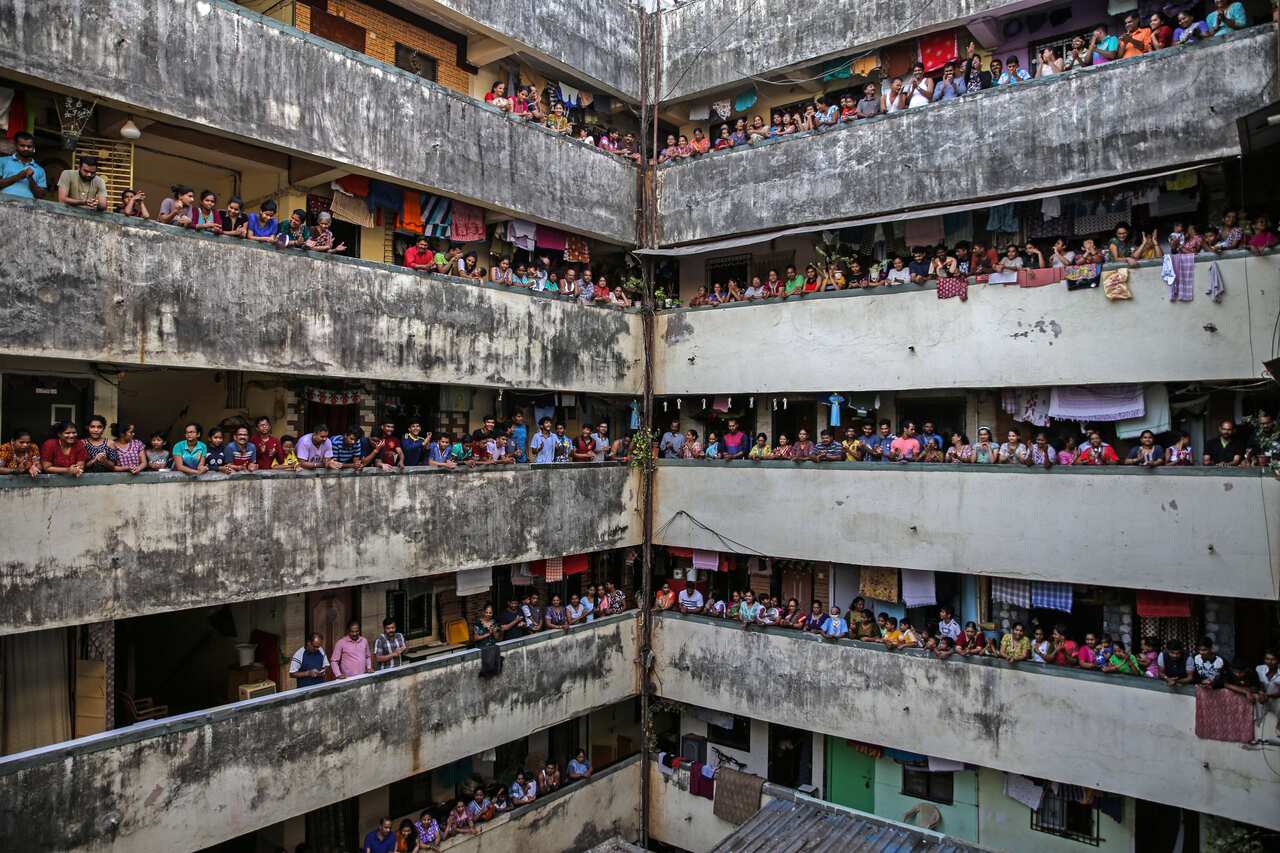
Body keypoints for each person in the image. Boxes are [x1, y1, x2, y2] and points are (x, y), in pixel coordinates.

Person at [0, 132, 46, 199]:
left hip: (29, 208)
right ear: (15, 145)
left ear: (33, 148)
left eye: (29, 146)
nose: (26, 148)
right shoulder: (2, 161)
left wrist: (31, 179)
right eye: (22, 146)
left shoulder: (40, 170)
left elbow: (41, 195)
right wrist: (18, 176)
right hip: (3, 205)